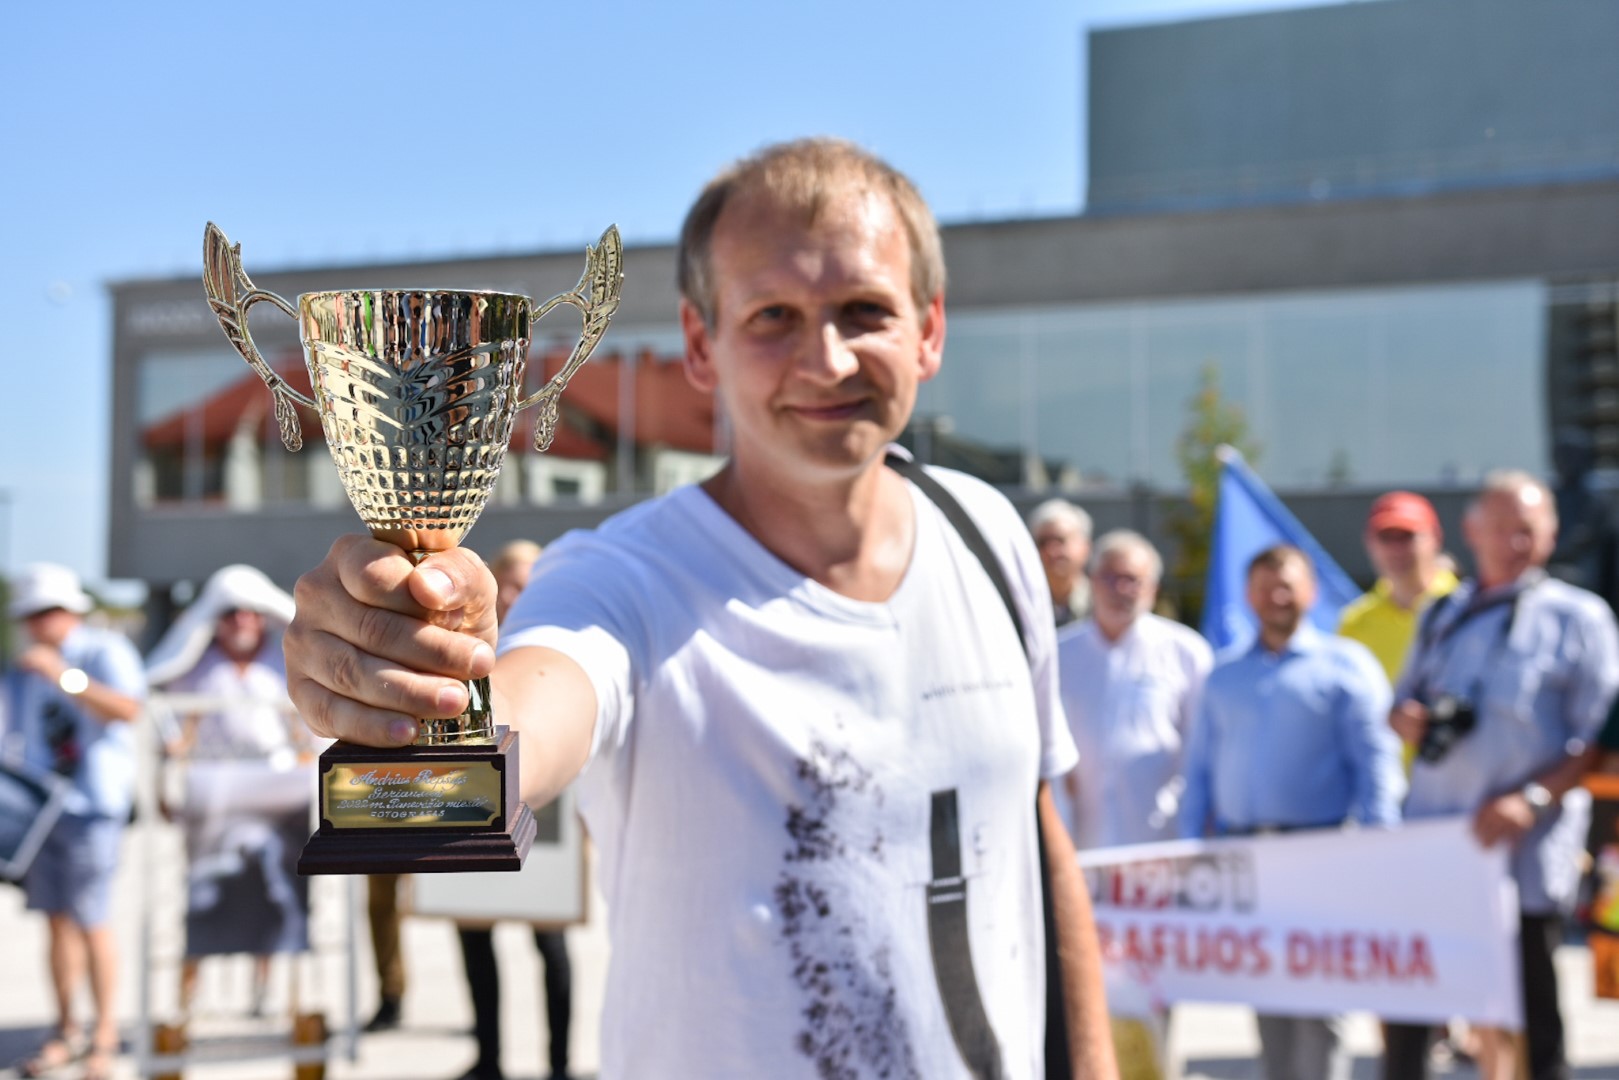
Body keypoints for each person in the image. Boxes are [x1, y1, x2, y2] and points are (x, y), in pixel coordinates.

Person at [282, 138, 1117, 1078]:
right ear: (698, 344)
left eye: (864, 310)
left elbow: (1035, 841)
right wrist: (429, 678)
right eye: (773, 316)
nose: (826, 358)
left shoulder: (990, 534)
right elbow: (536, 709)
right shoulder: (624, 581)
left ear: (927, 330)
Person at [1383, 470, 1619, 1080]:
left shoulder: (1580, 618)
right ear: (1472, 532)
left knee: (1530, 1017)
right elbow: (1401, 704)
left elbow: (1597, 742)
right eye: (1502, 529)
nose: (1515, 544)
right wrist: (1410, 720)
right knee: (1411, 1009)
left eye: (1528, 530)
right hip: (1438, 840)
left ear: (1551, 534)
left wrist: (1533, 798)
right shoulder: (1442, 612)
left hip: (1522, 850)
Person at [1178, 544, 1403, 1080]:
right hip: (1246, 856)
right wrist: (1189, 849)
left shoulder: (1345, 666)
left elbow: (1376, 764)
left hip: (1321, 853)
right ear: (1249, 596)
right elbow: (1200, 769)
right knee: (1268, 995)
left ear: (1311, 591)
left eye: (1287, 585)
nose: (1276, 596)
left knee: (1322, 1001)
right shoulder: (1224, 675)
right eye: (1264, 586)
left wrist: (1380, 847)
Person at [145, 564, 311, 1019]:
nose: (241, 621)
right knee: (206, 895)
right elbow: (177, 732)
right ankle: (186, 1002)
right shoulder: (196, 668)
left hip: (278, 798)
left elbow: (303, 731)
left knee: (276, 892)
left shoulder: (284, 662)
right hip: (214, 799)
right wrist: (166, 783)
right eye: (231, 612)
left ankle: (271, 991)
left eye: (250, 612)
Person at [5, 564, 146, 1080]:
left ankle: (104, 1035)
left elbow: (129, 708)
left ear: (70, 611)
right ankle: (67, 1030)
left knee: (92, 919)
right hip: (41, 810)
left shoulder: (103, 650)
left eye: (47, 611)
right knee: (55, 920)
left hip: (93, 805)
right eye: (31, 614)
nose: (38, 623)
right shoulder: (25, 666)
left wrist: (63, 676)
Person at [454, 539, 573, 1080]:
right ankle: (490, 1060)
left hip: (543, 827)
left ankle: (558, 1063)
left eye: (530, 584)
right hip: (477, 821)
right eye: (511, 584)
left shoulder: (559, 647)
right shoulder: (467, 653)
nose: (518, 595)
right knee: (476, 942)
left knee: (551, 945)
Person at [1057, 530, 1211, 849]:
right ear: (1092, 582)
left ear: (1153, 589)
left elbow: (1203, 750)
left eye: (1132, 580)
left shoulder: (1186, 652)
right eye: (1110, 578)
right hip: (1080, 844)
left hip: (1161, 841)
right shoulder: (1059, 654)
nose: (1120, 590)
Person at [1338, 491, 1459, 686]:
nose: (1396, 549)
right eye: (1385, 537)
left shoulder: (1465, 609)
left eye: (1406, 536)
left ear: (1436, 538)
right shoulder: (1354, 622)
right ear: (1369, 543)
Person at [1029, 498, 1093, 628]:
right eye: (1043, 542)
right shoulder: (1024, 603)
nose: (1051, 551)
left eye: (1060, 540)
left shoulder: (1102, 604)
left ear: (1085, 547)